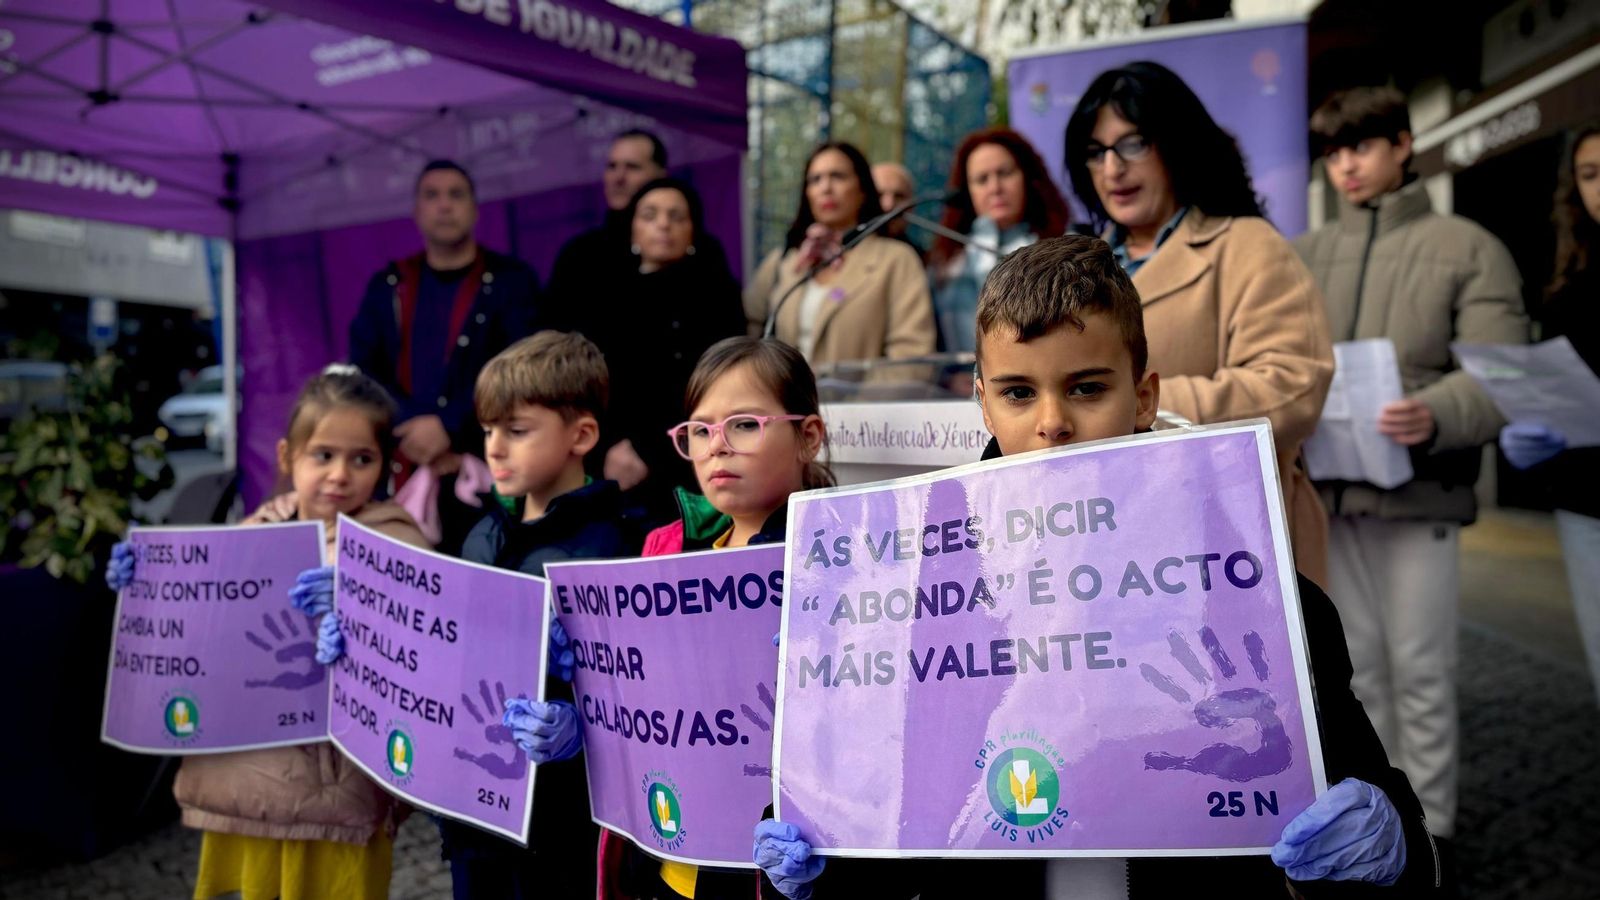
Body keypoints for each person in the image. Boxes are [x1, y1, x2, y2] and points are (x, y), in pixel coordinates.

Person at [750, 236, 1447, 899]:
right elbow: (898, 844)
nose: (1051, 422)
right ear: (983, 401)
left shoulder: (1259, 599)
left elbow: (1396, 857)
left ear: (1143, 395)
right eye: (1019, 393)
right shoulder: (912, 607)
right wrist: (822, 863)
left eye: (1086, 388)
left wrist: (1390, 848)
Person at [1293, 86, 1528, 841]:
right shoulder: (1306, 253)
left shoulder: (1468, 245)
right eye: (1332, 153)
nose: (1346, 166)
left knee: (1423, 670)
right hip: (1332, 496)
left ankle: (1431, 832)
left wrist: (1438, 413)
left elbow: (1503, 369)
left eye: (1359, 145)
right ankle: (1379, 823)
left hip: (1421, 494)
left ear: (1402, 144)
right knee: (1355, 672)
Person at [105, 366, 431, 900]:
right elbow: (200, 627)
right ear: (287, 457)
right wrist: (143, 585)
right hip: (242, 788)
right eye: (323, 454)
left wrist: (365, 605)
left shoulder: (396, 544)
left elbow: (422, 646)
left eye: (361, 458)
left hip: (335, 799)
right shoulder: (253, 531)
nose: (340, 474)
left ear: (384, 466)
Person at [1063, 61, 1334, 586]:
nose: (1112, 168)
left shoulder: (1248, 245)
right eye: (1096, 152)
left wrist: (1133, 410)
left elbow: (1292, 387)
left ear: (1177, 143)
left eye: (1133, 143)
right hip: (1102, 547)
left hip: (1230, 546)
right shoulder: (1076, 266)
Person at [392, 330, 635, 899]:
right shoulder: (480, 533)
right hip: (473, 819)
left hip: (558, 832)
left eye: (518, 431)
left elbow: (635, 699)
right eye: (488, 430)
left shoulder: (613, 549)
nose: (494, 447)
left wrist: (581, 725)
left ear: (582, 435)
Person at [599, 336, 831, 900]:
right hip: (668, 859)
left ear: (808, 436)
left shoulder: (840, 562)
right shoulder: (666, 552)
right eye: (699, 431)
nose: (715, 447)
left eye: (743, 424)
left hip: (764, 870)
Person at [348, 159, 542, 554]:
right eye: (432, 196)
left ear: (474, 208)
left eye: (456, 195)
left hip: (488, 472)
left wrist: (450, 427)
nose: (444, 205)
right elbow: (365, 371)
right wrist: (412, 428)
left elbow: (524, 368)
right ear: (417, 211)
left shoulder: (511, 282)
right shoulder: (389, 285)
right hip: (403, 469)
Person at [574, 177, 746, 526]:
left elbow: (719, 384)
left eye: (676, 216)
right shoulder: (605, 296)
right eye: (650, 215)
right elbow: (591, 381)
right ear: (633, 230)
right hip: (610, 462)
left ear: (693, 231)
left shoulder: (717, 294)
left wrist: (647, 449)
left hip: (692, 460)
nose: (663, 224)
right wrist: (609, 447)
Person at [1497, 122, 1600, 703]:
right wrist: (1532, 430)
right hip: (1588, 504)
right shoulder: (1570, 288)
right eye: (1589, 174)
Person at [743, 142, 935, 366]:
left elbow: (911, 354)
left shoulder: (897, 259)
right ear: (807, 193)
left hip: (864, 401)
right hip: (786, 400)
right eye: (815, 180)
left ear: (863, 190)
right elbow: (747, 332)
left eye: (838, 176)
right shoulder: (782, 260)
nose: (825, 188)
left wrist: (859, 400)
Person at [547, 129, 731, 324]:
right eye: (612, 166)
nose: (618, 177)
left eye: (632, 167)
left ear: (661, 174)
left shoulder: (703, 250)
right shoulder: (579, 253)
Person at [928, 127, 1069, 353]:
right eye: (982, 179)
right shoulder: (946, 261)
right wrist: (950, 376)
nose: (995, 188)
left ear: (1028, 178)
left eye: (1004, 173)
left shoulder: (1066, 249)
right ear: (966, 192)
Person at [869, 160, 924, 256]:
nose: (888, 206)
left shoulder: (920, 260)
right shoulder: (842, 251)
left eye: (899, 196)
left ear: (912, 206)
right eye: (879, 195)